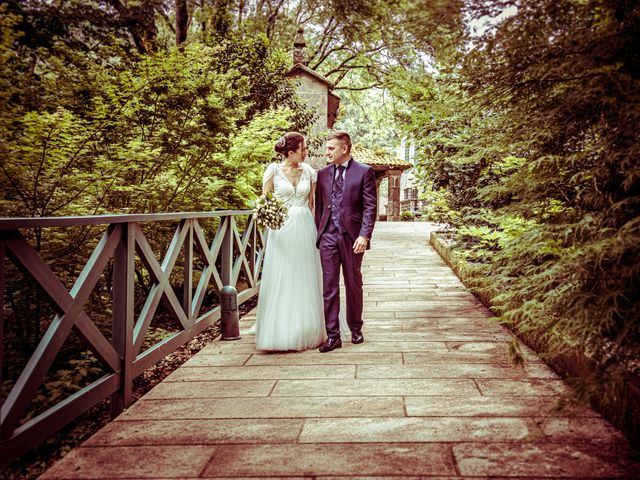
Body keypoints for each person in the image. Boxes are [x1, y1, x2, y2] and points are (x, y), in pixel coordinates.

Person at [254, 132, 326, 351]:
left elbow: (313, 204)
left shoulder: (310, 172)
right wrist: (268, 219)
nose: (306, 153)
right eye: (303, 149)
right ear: (290, 151)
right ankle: (279, 328)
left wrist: (319, 233)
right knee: (282, 274)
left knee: (305, 274)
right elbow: (265, 202)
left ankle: (307, 326)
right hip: (281, 229)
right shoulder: (273, 171)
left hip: (305, 226)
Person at [315, 131, 377, 353]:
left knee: (353, 284)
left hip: (353, 238)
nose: (327, 152)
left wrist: (364, 235)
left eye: (331, 148)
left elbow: (370, 206)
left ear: (344, 149)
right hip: (328, 237)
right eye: (327, 148)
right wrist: (320, 234)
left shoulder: (364, 172)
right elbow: (320, 207)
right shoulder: (322, 174)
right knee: (329, 287)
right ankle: (333, 336)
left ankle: (356, 329)